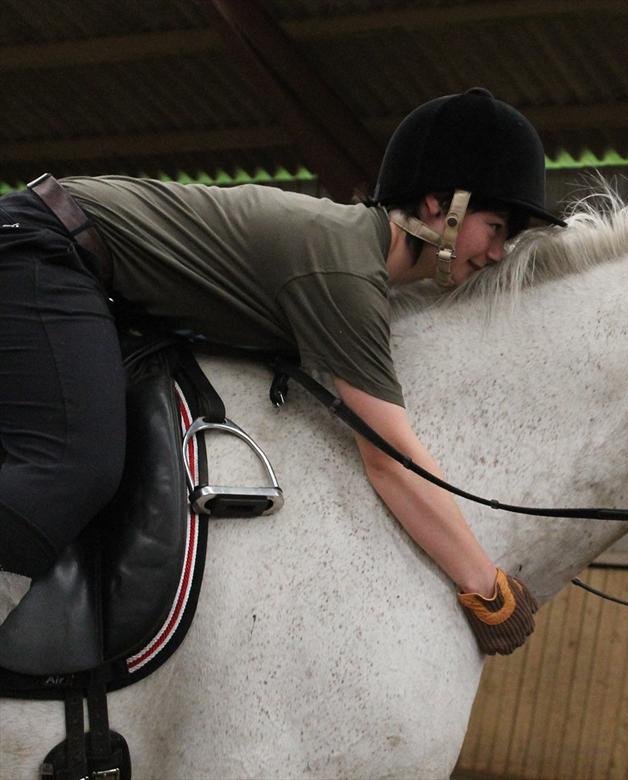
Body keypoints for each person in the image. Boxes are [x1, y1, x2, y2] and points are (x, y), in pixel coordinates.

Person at [0, 87, 560, 655]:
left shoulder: (349, 257)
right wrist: (485, 587)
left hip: (56, 250)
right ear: (441, 205)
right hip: (41, 250)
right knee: (76, 465)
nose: (498, 253)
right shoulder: (345, 276)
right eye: (496, 228)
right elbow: (391, 459)